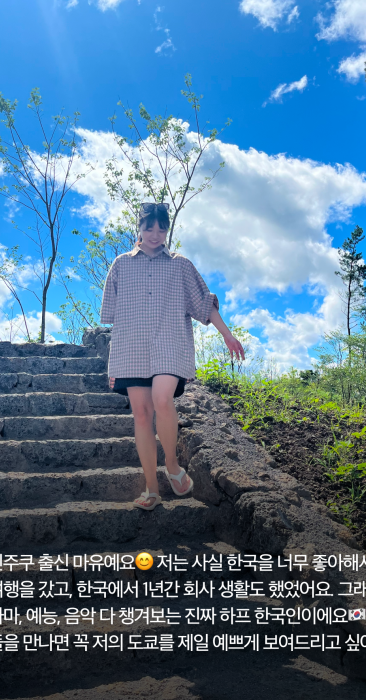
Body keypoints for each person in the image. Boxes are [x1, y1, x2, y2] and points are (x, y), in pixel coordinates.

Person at [100, 202, 245, 511]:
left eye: (161, 229)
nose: (155, 234)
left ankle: (172, 464)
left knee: (162, 399)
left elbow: (204, 303)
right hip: (131, 347)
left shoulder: (181, 265)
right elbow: (111, 316)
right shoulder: (121, 265)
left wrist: (227, 334)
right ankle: (152, 489)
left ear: (167, 230)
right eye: (149, 228)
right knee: (141, 414)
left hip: (170, 343)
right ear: (139, 229)